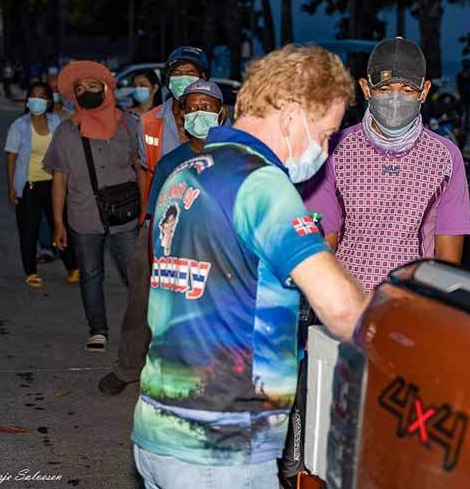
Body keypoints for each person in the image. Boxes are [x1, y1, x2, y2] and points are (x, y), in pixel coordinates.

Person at [131, 44, 367, 489]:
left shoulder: (188, 172)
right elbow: (342, 309)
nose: (325, 148)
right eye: (325, 134)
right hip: (222, 447)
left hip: (159, 431)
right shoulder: (261, 184)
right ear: (292, 115)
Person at [303, 37, 470, 293]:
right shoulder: (335, 150)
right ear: (366, 88)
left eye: (407, 90)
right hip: (346, 298)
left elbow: (447, 258)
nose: (395, 99)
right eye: (384, 89)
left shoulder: (446, 158)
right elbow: (324, 241)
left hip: (411, 303)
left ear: (424, 91)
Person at [98, 80, 228, 396]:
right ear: (182, 114)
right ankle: (127, 367)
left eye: (206, 107)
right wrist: (158, 259)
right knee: (142, 293)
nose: (199, 113)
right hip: (172, 241)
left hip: (218, 243)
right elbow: (158, 215)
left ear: (221, 115)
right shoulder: (172, 161)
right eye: (192, 107)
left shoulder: (234, 157)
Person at [44, 61, 141, 354]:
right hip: (83, 215)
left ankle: (142, 330)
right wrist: (58, 222)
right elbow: (59, 179)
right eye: (80, 88)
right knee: (91, 274)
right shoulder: (65, 132)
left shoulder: (128, 124)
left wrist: (147, 208)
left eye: (93, 86)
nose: (86, 92)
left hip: (125, 217)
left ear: (107, 89)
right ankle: (97, 329)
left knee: (135, 276)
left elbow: (140, 168)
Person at [4, 81, 79, 288]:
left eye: (42, 96)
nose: (37, 100)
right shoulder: (18, 126)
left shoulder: (57, 123)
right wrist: (11, 187)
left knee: (61, 225)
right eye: (33, 96)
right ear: (28, 100)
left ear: (48, 101)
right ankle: (31, 271)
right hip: (29, 185)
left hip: (55, 184)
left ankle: (72, 267)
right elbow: (11, 158)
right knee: (29, 229)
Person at [138, 46, 209, 213]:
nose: (183, 79)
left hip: (207, 213)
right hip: (162, 211)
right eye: (177, 74)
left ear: (204, 78)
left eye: (190, 73)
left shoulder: (217, 120)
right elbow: (143, 173)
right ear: (168, 80)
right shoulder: (147, 122)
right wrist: (145, 217)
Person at [455, 58, 470, 133]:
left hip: (465, 94)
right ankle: (463, 126)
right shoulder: (469, 75)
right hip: (465, 94)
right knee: (464, 111)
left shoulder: (462, 75)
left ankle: (463, 126)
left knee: (465, 111)